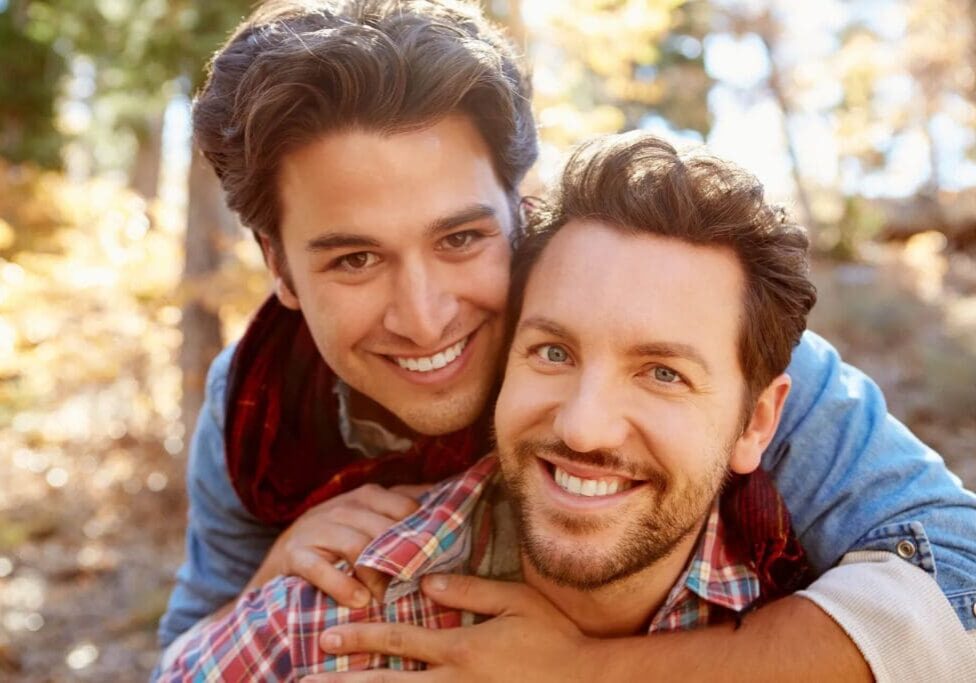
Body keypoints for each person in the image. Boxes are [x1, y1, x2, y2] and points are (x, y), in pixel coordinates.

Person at [159, 0, 976, 678]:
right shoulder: (258, 404)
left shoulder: (678, 335)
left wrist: (583, 670)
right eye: (355, 258)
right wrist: (266, 594)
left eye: (460, 239)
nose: (424, 314)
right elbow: (188, 648)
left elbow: (960, 571)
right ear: (281, 269)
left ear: (520, 208)